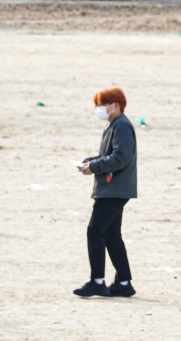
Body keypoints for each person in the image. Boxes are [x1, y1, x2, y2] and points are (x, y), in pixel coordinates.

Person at [74, 87, 137, 299]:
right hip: (113, 188)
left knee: (95, 231)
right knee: (111, 234)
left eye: (102, 104)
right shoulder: (114, 125)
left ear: (115, 105)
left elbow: (121, 157)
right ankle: (124, 282)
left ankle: (97, 282)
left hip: (114, 189)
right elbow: (109, 155)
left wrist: (95, 167)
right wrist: (91, 162)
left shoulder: (122, 126)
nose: (99, 109)